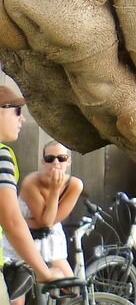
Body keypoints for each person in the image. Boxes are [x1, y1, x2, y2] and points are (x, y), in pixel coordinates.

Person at [0, 87, 68, 305]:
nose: (22, 119)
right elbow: (11, 220)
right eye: (17, 111)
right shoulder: (2, 156)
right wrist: (44, 272)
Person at [1, 140, 83, 305]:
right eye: (50, 158)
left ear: (69, 161)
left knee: (71, 287)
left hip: (50, 239)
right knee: (16, 298)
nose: (55, 163)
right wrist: (54, 190)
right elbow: (46, 221)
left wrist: (31, 221)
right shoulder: (31, 181)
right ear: (42, 161)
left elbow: (51, 221)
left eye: (61, 158)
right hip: (24, 239)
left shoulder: (74, 184)